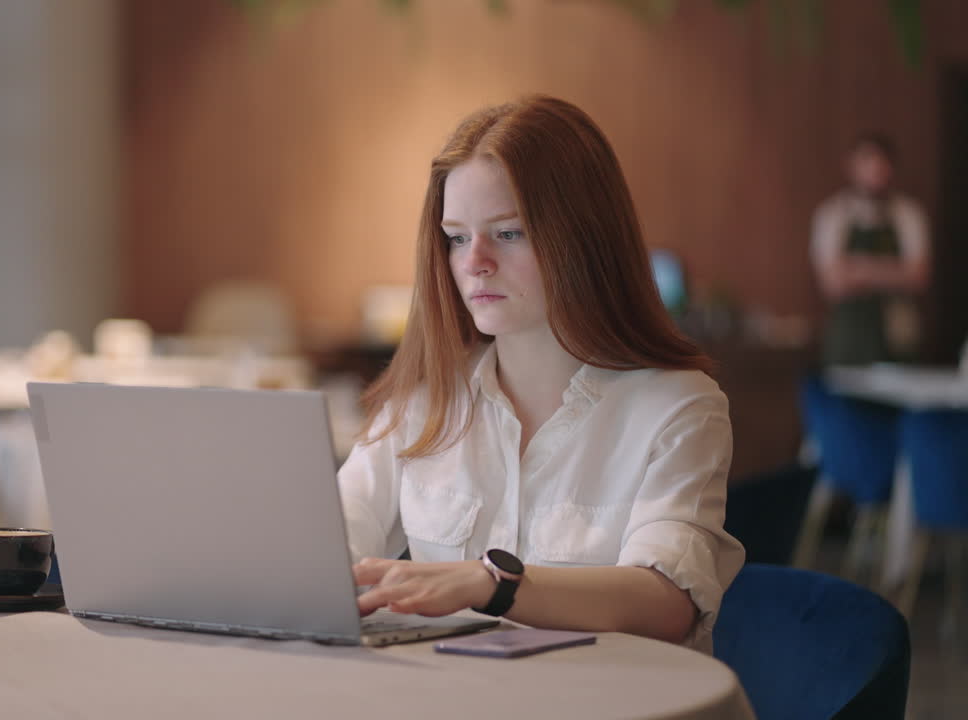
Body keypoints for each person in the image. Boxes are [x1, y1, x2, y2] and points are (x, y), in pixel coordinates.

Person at [337, 95, 744, 654]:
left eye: (508, 233)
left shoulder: (679, 408)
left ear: (583, 239)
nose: (473, 260)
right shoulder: (424, 402)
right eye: (456, 237)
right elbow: (332, 539)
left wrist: (492, 584)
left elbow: (667, 601)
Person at [811, 133, 930, 366]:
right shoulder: (833, 214)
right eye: (868, 163)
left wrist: (857, 267)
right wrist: (894, 271)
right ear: (852, 166)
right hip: (849, 338)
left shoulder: (908, 214)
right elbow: (832, 283)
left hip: (898, 336)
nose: (876, 172)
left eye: (882, 165)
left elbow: (918, 276)